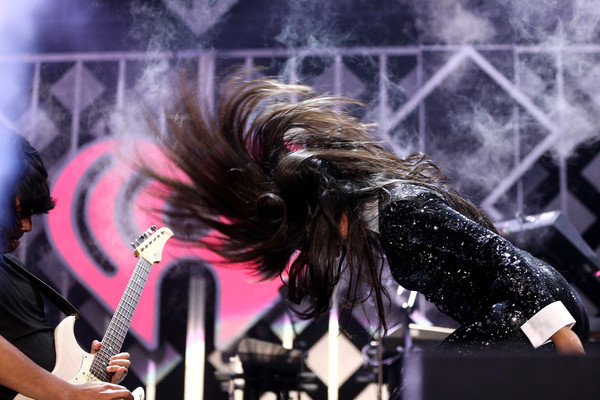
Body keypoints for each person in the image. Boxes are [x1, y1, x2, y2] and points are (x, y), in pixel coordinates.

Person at [145, 72, 588, 358]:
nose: (333, 249)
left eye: (315, 238)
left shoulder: (401, 209)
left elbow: (497, 253)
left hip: (538, 313)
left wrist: (562, 335)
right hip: (521, 315)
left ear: (328, 209)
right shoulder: (384, 220)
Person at [0, 130, 134, 400]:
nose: (27, 226)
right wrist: (68, 392)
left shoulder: (16, 273)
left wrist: (84, 374)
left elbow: (37, 365)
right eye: (21, 211)